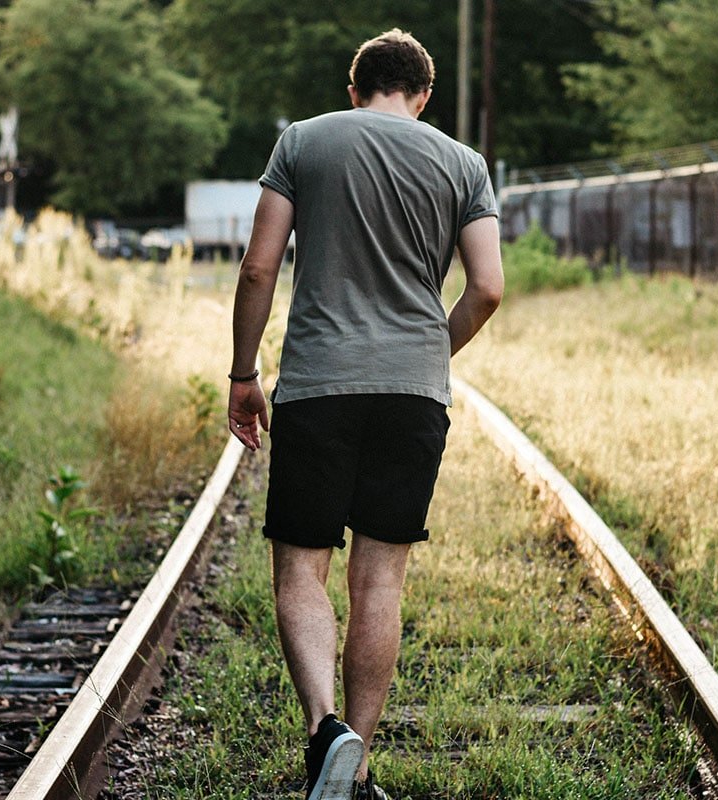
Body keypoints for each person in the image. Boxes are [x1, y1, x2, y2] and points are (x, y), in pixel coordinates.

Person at [227, 28, 504, 800]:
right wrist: (430, 354)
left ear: (355, 89)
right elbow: (487, 287)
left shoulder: (303, 142)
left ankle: (325, 735)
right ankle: (356, 767)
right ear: (422, 97)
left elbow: (258, 265)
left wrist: (244, 374)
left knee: (301, 567)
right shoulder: (463, 163)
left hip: (319, 382)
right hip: (415, 392)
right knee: (379, 580)